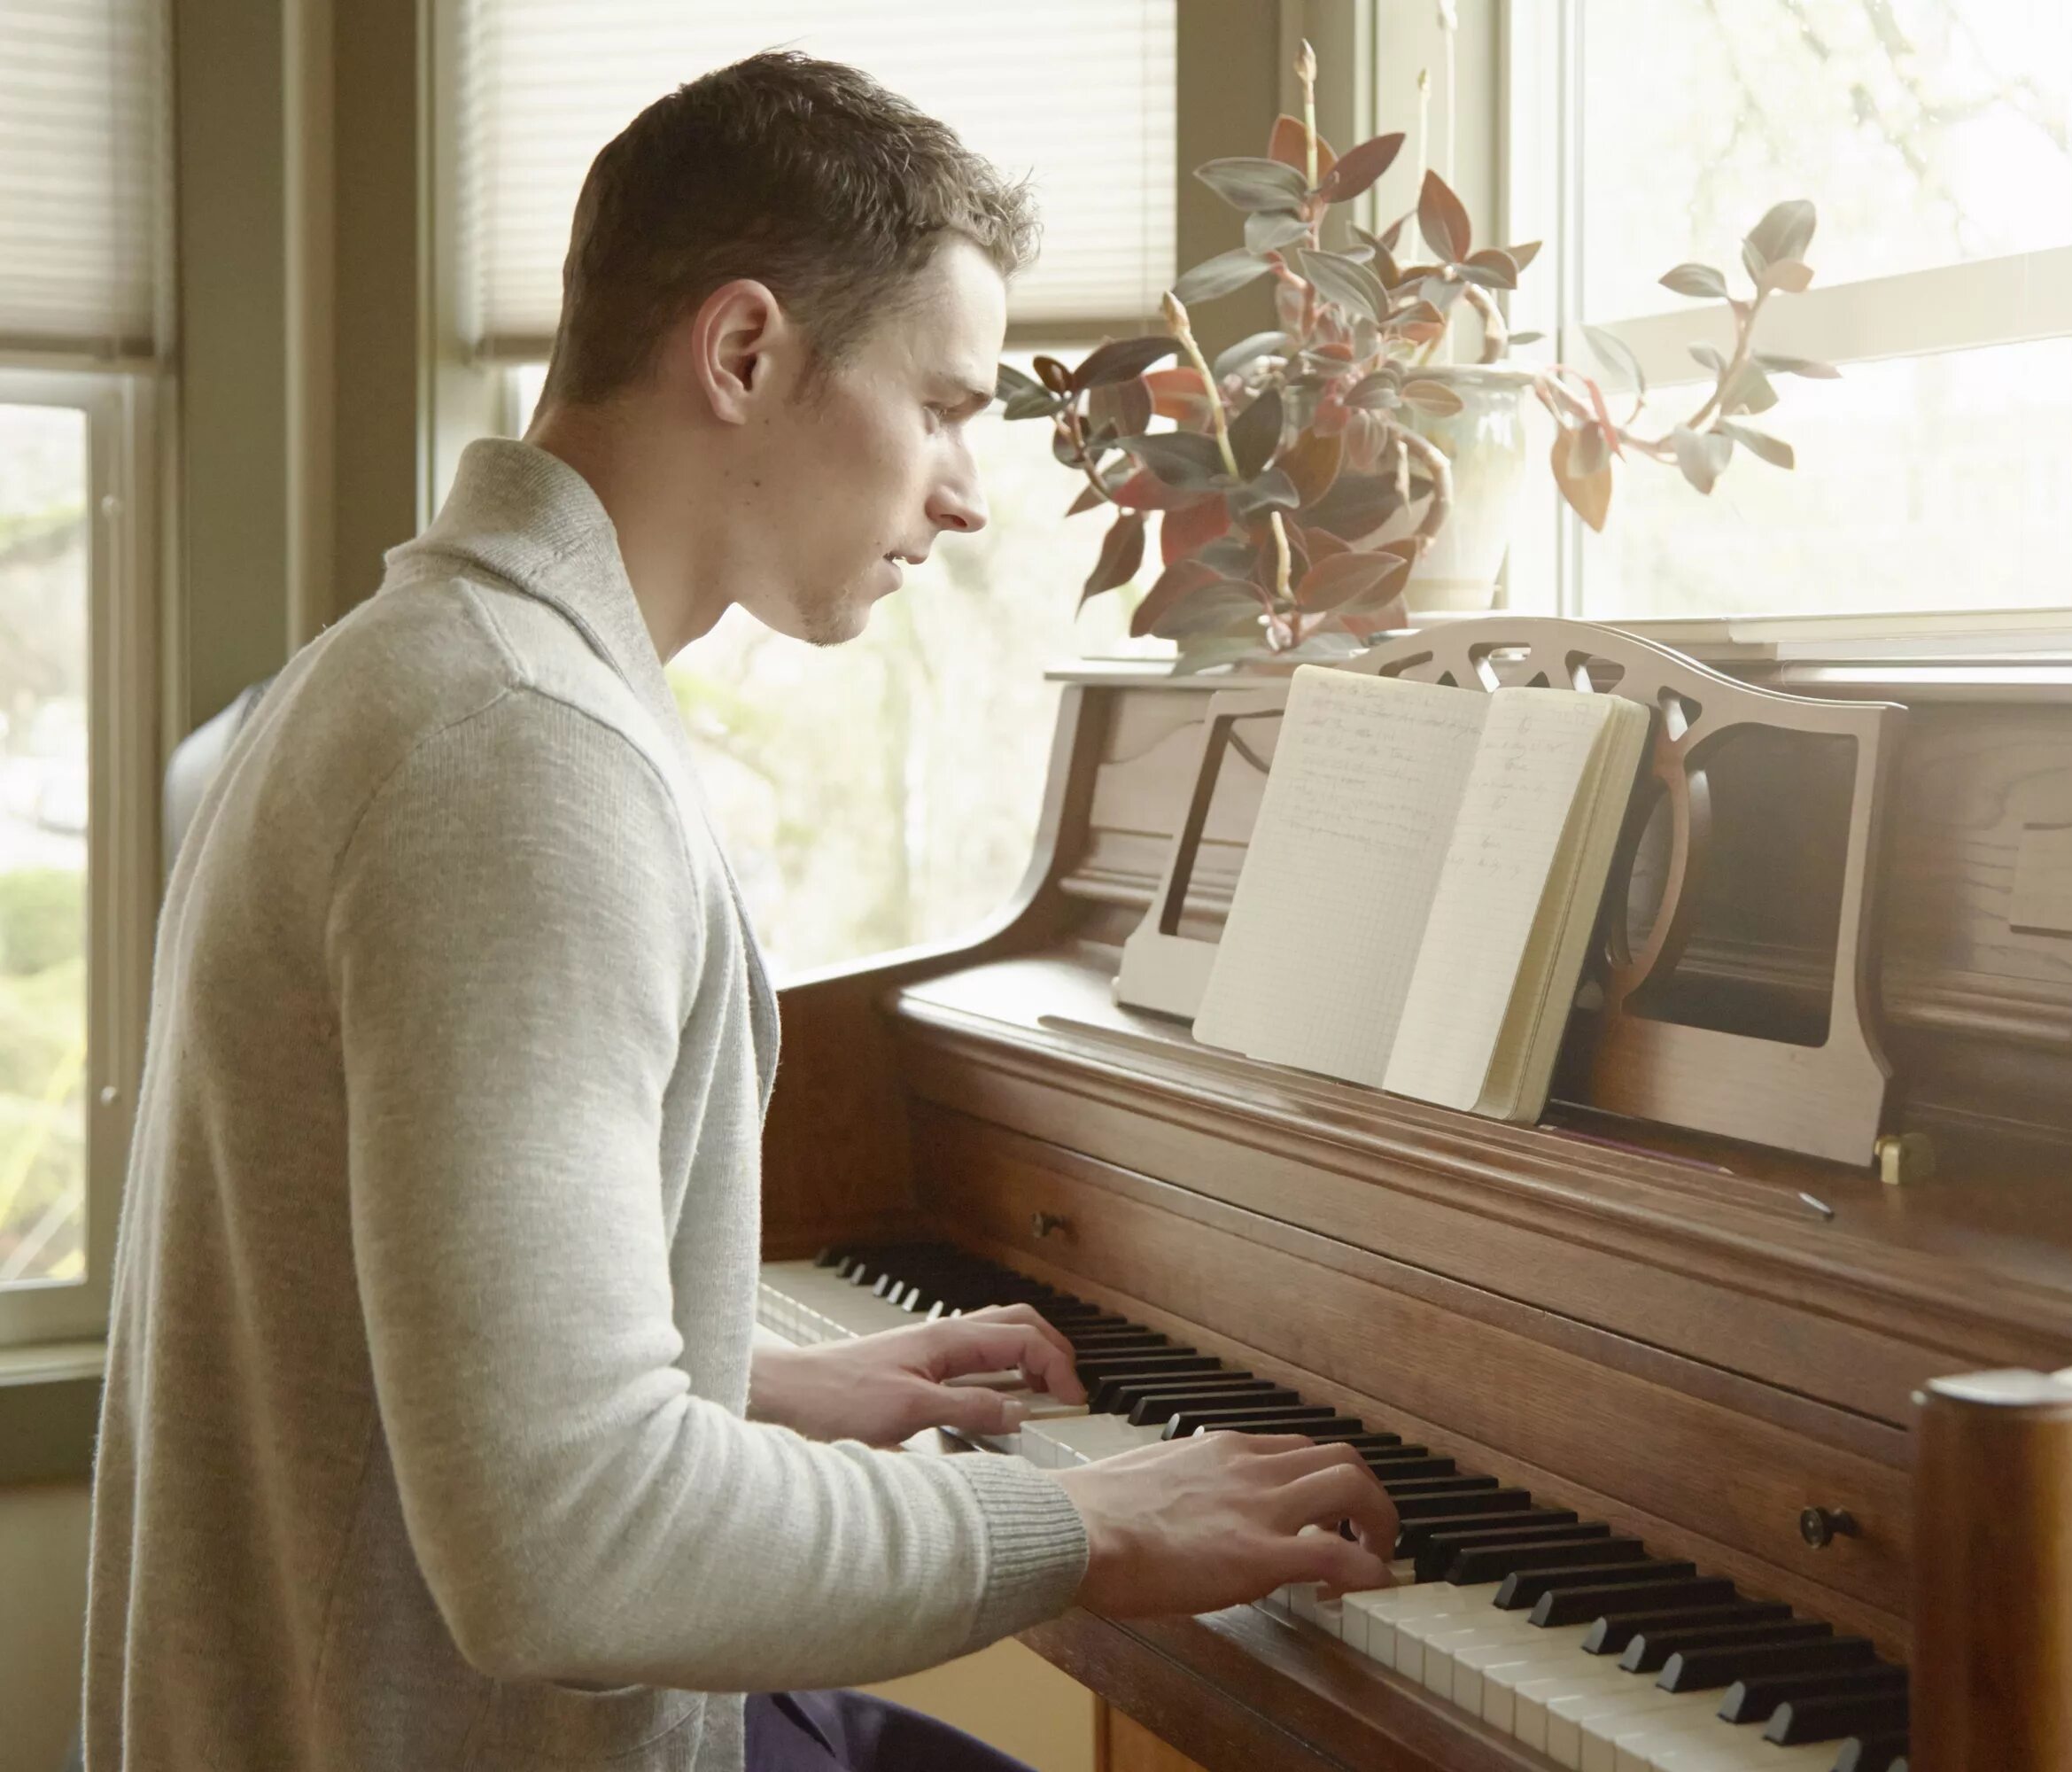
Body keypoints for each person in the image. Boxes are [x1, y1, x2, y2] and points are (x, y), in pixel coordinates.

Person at [83, 51, 1397, 1772]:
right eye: (941, 404)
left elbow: (395, 1318)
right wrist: (1098, 1527)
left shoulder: (422, 671)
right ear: (747, 351)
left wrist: (747, 1377)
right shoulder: (519, 756)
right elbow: (574, 1544)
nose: (967, 488)